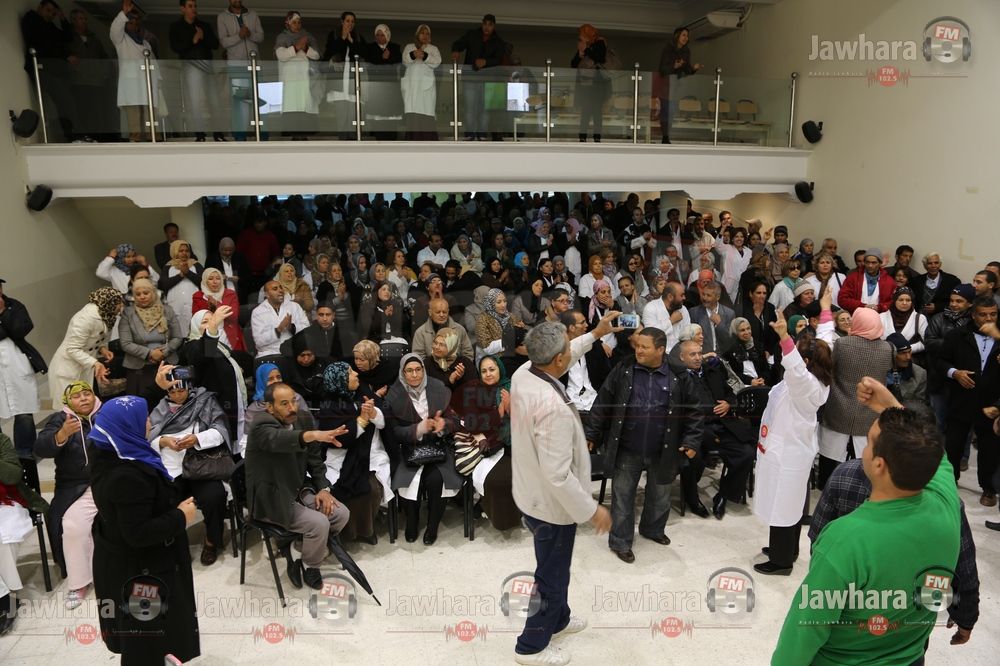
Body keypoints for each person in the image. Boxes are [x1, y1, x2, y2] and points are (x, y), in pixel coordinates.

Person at [771, 379, 960, 665]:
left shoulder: (846, 539)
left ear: (879, 464)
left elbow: (806, 629)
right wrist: (890, 406)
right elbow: (931, 448)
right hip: (910, 657)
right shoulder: (946, 506)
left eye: (869, 442)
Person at [511, 316, 618, 666]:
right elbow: (558, 476)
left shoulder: (524, 373)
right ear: (558, 359)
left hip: (531, 489)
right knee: (551, 576)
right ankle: (530, 647)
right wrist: (592, 510)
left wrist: (596, 334)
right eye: (567, 349)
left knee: (556, 567)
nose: (572, 351)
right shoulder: (551, 408)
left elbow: (566, 353)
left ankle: (559, 620)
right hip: (551, 506)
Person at [809, 456, 979, 647]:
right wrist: (966, 618)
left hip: (847, 623)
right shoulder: (943, 502)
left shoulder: (845, 475)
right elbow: (962, 568)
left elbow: (818, 543)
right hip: (907, 632)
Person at [89, 394, 200, 663]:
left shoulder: (111, 451)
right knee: (144, 640)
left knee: (148, 636)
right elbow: (138, 533)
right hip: (140, 573)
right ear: (128, 426)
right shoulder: (127, 476)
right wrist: (180, 516)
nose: (149, 421)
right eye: (144, 418)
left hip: (126, 562)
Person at [586, 328, 703, 563]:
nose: (638, 350)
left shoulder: (679, 375)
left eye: (644, 347)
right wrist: (592, 433)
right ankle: (620, 541)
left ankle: (653, 529)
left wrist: (691, 440)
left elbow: (694, 411)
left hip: (664, 448)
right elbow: (603, 402)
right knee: (622, 497)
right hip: (627, 447)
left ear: (660, 350)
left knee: (660, 496)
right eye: (637, 345)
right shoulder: (623, 369)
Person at [753, 307, 833, 575]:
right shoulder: (813, 378)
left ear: (807, 361)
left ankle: (781, 561)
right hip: (786, 449)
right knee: (788, 504)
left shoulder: (806, 385)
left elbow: (795, 368)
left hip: (788, 454)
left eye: (798, 354)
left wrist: (785, 336)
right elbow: (827, 339)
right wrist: (825, 310)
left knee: (783, 504)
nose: (791, 356)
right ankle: (786, 549)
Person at [245, 382, 349, 589]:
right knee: (319, 524)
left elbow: (314, 460)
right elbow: (279, 439)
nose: (292, 408)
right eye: (284, 404)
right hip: (271, 497)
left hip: (297, 487)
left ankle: (297, 550)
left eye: (293, 401)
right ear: (270, 407)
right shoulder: (260, 425)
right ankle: (311, 566)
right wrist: (313, 435)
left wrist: (323, 489)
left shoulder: (302, 418)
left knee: (340, 514)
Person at [148, 381, 231, 565]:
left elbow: (220, 431)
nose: (178, 396)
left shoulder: (205, 402)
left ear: (189, 388)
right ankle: (173, 544)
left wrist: (197, 439)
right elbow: (147, 437)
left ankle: (211, 541)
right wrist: (163, 441)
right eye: (173, 392)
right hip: (171, 468)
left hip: (201, 465)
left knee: (215, 496)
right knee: (162, 500)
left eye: (181, 391)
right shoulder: (160, 409)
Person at [384, 354, 463, 545]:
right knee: (409, 482)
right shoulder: (394, 395)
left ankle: (432, 526)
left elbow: (455, 421)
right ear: (402, 373)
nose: (415, 375)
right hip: (409, 448)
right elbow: (394, 432)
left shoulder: (438, 388)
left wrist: (443, 425)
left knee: (436, 480)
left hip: (438, 447)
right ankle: (412, 522)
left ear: (423, 370)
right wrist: (418, 429)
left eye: (418, 369)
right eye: (409, 371)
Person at [817, 305, 894, 486]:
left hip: (839, 406)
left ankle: (826, 486)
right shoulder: (888, 349)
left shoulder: (842, 344)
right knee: (863, 457)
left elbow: (830, 368)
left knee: (830, 455)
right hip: (869, 410)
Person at [315, 362, 390, 543]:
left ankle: (367, 531)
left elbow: (383, 422)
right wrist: (361, 420)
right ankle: (347, 534)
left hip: (370, 454)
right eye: (350, 373)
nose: (356, 373)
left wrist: (373, 413)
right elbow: (340, 438)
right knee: (344, 490)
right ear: (340, 381)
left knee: (372, 490)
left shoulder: (363, 392)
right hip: (340, 458)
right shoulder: (329, 406)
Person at [938, 297, 1000, 506]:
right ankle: (950, 482)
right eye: (983, 314)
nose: (989, 318)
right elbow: (940, 361)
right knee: (953, 446)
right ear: (973, 315)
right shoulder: (957, 335)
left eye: (993, 314)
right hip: (961, 400)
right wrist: (954, 373)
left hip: (991, 404)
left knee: (989, 449)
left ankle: (988, 488)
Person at [450, 355, 520, 530]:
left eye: (492, 369)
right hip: (486, 446)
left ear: (500, 370)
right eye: (483, 371)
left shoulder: (512, 387)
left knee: (512, 476)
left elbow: (525, 420)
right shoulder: (473, 390)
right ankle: (491, 511)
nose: (488, 374)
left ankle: (509, 515)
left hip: (513, 443)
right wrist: (498, 414)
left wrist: (510, 408)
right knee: (497, 480)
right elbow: (471, 423)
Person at [0, 432, 49, 636]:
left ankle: (5, 601)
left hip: (7, 502)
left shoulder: (1, 440)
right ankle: (5, 599)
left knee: (3, 539)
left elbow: (12, 475)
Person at [184, 308, 251, 444]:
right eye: (205, 322)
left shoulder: (220, 346)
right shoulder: (192, 345)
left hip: (232, 398)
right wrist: (213, 325)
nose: (210, 324)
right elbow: (207, 353)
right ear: (195, 326)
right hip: (215, 403)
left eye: (212, 321)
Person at [48, 287, 124, 406]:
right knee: (69, 409)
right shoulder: (85, 318)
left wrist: (102, 349)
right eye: (118, 303)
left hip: (83, 367)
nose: (121, 306)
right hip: (67, 369)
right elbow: (72, 349)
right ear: (109, 302)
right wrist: (95, 363)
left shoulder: (105, 314)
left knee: (86, 408)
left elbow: (91, 339)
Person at [0, 278, 46, 461]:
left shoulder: (15, 306)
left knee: (24, 410)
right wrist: (5, 325)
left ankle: (25, 452)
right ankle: (3, 453)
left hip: (17, 364)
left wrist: (2, 312)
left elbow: (20, 330)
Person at [111, 1, 167, 142]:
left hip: (148, 82)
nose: (134, 23)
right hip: (132, 83)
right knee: (134, 113)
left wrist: (158, 82)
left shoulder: (145, 43)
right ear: (126, 22)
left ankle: (152, 137)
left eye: (137, 21)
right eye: (131, 20)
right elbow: (115, 29)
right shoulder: (121, 40)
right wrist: (124, 13)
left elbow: (153, 62)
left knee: (150, 112)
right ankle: (135, 139)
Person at [923, 283, 975, 433]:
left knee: (962, 424)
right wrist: (955, 344)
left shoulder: (973, 322)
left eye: (959, 301)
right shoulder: (938, 318)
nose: (953, 304)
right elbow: (929, 342)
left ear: (970, 303)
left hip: (965, 382)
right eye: (952, 300)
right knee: (938, 422)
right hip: (940, 378)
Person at [119, 278, 182, 397]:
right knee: (143, 403)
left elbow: (177, 337)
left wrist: (164, 352)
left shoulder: (167, 310)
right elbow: (125, 343)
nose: (142, 297)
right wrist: (150, 353)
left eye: (146, 293)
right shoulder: (128, 313)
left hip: (166, 363)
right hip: (139, 368)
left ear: (153, 292)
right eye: (138, 294)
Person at [169, 0, 222, 142]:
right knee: (195, 101)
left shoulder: (204, 25)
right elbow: (175, 47)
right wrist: (192, 40)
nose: (194, 9)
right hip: (191, 65)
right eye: (190, 6)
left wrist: (203, 37)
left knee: (214, 100)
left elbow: (216, 44)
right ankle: (200, 134)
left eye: (195, 6)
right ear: (182, 8)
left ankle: (218, 133)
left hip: (207, 65)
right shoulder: (176, 27)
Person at [450, 14, 505, 140]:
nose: (487, 27)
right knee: (470, 108)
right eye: (485, 24)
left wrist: (486, 62)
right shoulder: (472, 35)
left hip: (488, 80)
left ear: (494, 26)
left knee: (485, 110)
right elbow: (458, 43)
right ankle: (470, 134)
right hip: (470, 78)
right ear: (482, 23)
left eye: (490, 25)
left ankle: (482, 134)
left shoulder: (498, 41)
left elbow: (498, 59)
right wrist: (455, 50)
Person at [216, 0, 265, 141]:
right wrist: (239, 35)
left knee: (260, 101)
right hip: (236, 65)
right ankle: (240, 138)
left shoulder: (253, 14)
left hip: (255, 64)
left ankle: (262, 136)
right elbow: (223, 42)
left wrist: (250, 34)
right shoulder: (222, 17)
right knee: (239, 103)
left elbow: (261, 36)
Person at [274, 11, 321, 139]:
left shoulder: (308, 37)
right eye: (294, 22)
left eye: (299, 22)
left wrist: (305, 48)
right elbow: (281, 55)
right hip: (290, 82)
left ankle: (304, 136)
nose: (297, 25)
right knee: (291, 107)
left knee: (305, 106)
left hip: (305, 80)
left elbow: (316, 55)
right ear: (288, 23)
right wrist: (296, 47)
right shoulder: (282, 37)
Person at [322, 11, 366, 140]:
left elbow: (363, 54)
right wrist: (342, 38)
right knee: (341, 119)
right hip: (339, 82)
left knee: (353, 119)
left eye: (352, 21)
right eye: (347, 21)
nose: (350, 24)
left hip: (353, 82)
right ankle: (342, 143)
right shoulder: (334, 35)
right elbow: (329, 53)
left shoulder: (358, 37)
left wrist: (352, 41)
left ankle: (353, 144)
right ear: (342, 22)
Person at [655, 26, 701, 144]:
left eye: (687, 36)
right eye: (683, 35)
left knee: (672, 111)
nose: (686, 38)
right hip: (666, 85)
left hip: (677, 86)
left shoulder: (686, 51)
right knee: (666, 111)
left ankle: (668, 136)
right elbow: (662, 69)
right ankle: (665, 137)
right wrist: (674, 66)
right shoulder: (668, 48)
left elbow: (687, 69)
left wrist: (693, 69)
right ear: (677, 36)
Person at [570, 24, 611, 143]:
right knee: (586, 110)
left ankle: (597, 137)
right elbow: (573, 64)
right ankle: (582, 136)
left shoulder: (599, 42)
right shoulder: (583, 45)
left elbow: (600, 58)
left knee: (597, 110)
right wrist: (580, 54)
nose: (580, 36)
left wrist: (586, 50)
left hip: (598, 84)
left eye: (582, 33)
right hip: (585, 85)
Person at [250, 280, 310, 361]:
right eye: (275, 289)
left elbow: (307, 330)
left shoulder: (294, 306)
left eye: (281, 287)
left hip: (293, 353)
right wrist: (278, 330)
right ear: (267, 294)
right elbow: (259, 341)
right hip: (269, 354)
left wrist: (292, 328)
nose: (280, 290)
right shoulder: (258, 312)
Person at [401, 24, 441, 140]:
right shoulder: (409, 47)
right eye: (422, 33)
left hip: (426, 90)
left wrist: (424, 55)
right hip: (411, 89)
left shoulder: (433, 49)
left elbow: (437, 62)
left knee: (426, 115)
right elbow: (405, 60)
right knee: (412, 116)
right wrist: (414, 54)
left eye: (427, 33)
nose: (425, 36)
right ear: (417, 35)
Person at [192, 267, 245, 351]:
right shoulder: (198, 296)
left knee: (233, 357)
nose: (215, 282)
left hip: (229, 335)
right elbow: (197, 319)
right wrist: (209, 307)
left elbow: (234, 316)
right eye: (210, 279)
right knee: (211, 355)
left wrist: (217, 305)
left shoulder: (230, 294)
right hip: (208, 334)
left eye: (218, 278)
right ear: (205, 281)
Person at [159, 239, 204, 337]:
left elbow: (203, 282)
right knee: (177, 335)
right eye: (181, 251)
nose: (184, 253)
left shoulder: (196, 265)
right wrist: (180, 275)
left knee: (195, 334)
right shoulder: (168, 267)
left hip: (194, 305)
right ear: (174, 251)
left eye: (187, 251)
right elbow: (163, 284)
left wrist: (188, 272)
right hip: (175, 306)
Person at [838, 247, 896, 313]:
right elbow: (842, 299)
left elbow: (893, 302)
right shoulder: (853, 278)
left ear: (880, 263)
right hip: (856, 316)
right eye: (867, 262)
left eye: (874, 263)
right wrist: (862, 306)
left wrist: (880, 307)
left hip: (880, 317)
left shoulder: (889, 282)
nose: (870, 265)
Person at [879, 286, 927, 357]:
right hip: (884, 357)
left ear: (912, 302)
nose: (904, 303)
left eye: (908, 300)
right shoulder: (881, 317)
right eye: (901, 300)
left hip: (909, 358)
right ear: (895, 301)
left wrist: (905, 350)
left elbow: (925, 342)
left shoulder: (920, 318)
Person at [688, 281, 735, 354]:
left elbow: (730, 339)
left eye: (708, 295)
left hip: (724, 356)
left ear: (718, 297)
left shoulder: (729, 313)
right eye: (703, 294)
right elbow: (692, 338)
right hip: (702, 355)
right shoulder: (694, 312)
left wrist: (719, 324)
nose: (704, 298)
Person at [912, 251, 960, 317]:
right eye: (930, 263)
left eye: (936, 263)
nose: (933, 266)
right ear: (925, 266)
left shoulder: (952, 281)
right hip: (918, 318)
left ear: (940, 264)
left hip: (940, 319)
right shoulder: (916, 281)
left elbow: (957, 303)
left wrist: (937, 307)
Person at [724, 317, 770, 386]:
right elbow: (733, 374)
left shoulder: (758, 346)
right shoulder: (730, 351)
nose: (747, 332)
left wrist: (762, 379)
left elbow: (766, 369)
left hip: (760, 383)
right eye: (742, 330)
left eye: (748, 328)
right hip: (742, 385)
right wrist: (750, 381)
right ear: (736, 332)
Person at [884, 333, 927, 405]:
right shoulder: (877, 370)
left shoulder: (919, 374)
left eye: (909, 352)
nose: (908, 357)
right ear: (891, 354)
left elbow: (919, 405)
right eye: (902, 353)